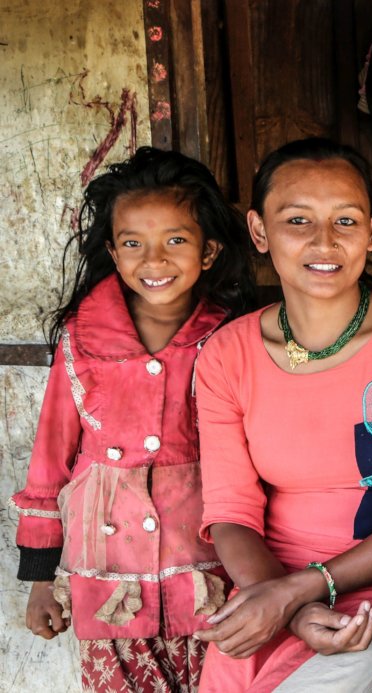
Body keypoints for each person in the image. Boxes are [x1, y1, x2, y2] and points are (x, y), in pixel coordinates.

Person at [193, 138, 372, 692]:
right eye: (298, 220)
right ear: (259, 231)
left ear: (371, 229)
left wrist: (304, 591)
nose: (325, 241)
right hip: (267, 584)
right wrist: (286, 604)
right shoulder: (227, 354)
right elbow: (231, 512)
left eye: (345, 220)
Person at [10, 146, 256, 691]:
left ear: (209, 251)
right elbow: (50, 464)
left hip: (209, 571)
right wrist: (39, 580)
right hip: (107, 578)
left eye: (176, 240)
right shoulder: (82, 339)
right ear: (113, 254)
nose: (154, 260)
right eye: (133, 243)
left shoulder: (232, 337)